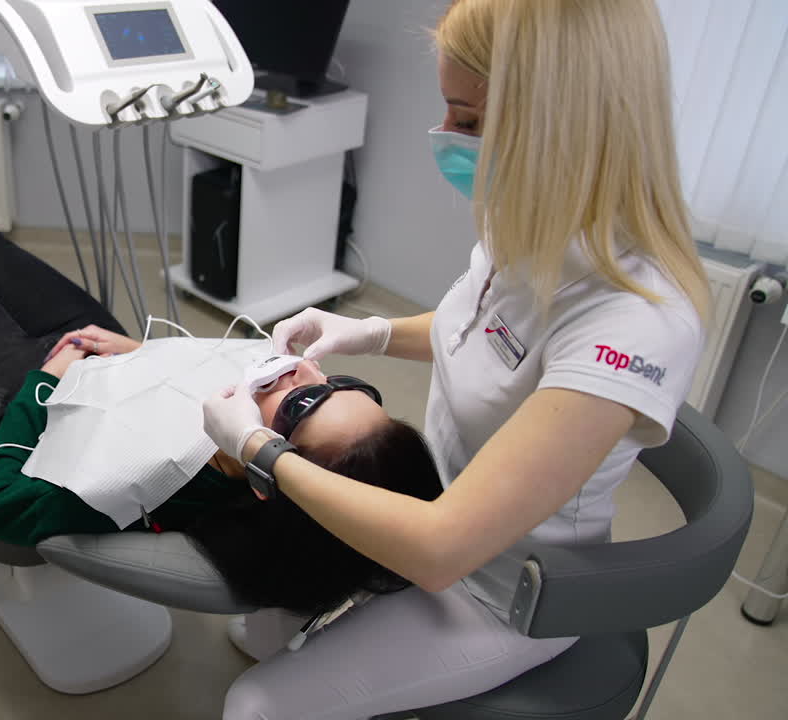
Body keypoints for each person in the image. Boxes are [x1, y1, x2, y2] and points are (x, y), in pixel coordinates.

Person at [199, 0, 710, 717]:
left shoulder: (634, 322)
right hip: (433, 500)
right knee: (257, 624)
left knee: (258, 704)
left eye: (470, 121)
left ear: (566, 124)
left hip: (503, 589)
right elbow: (485, 331)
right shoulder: (535, 220)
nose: (448, 136)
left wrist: (258, 448)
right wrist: (368, 332)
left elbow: (441, 551)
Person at [0, 128, 444, 618]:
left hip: (17, 394)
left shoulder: (143, 483)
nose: (299, 373)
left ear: (265, 475)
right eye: (337, 383)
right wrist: (141, 355)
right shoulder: (256, 398)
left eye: (299, 407)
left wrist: (43, 384)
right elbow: (186, 377)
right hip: (108, 354)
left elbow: (1, 508)